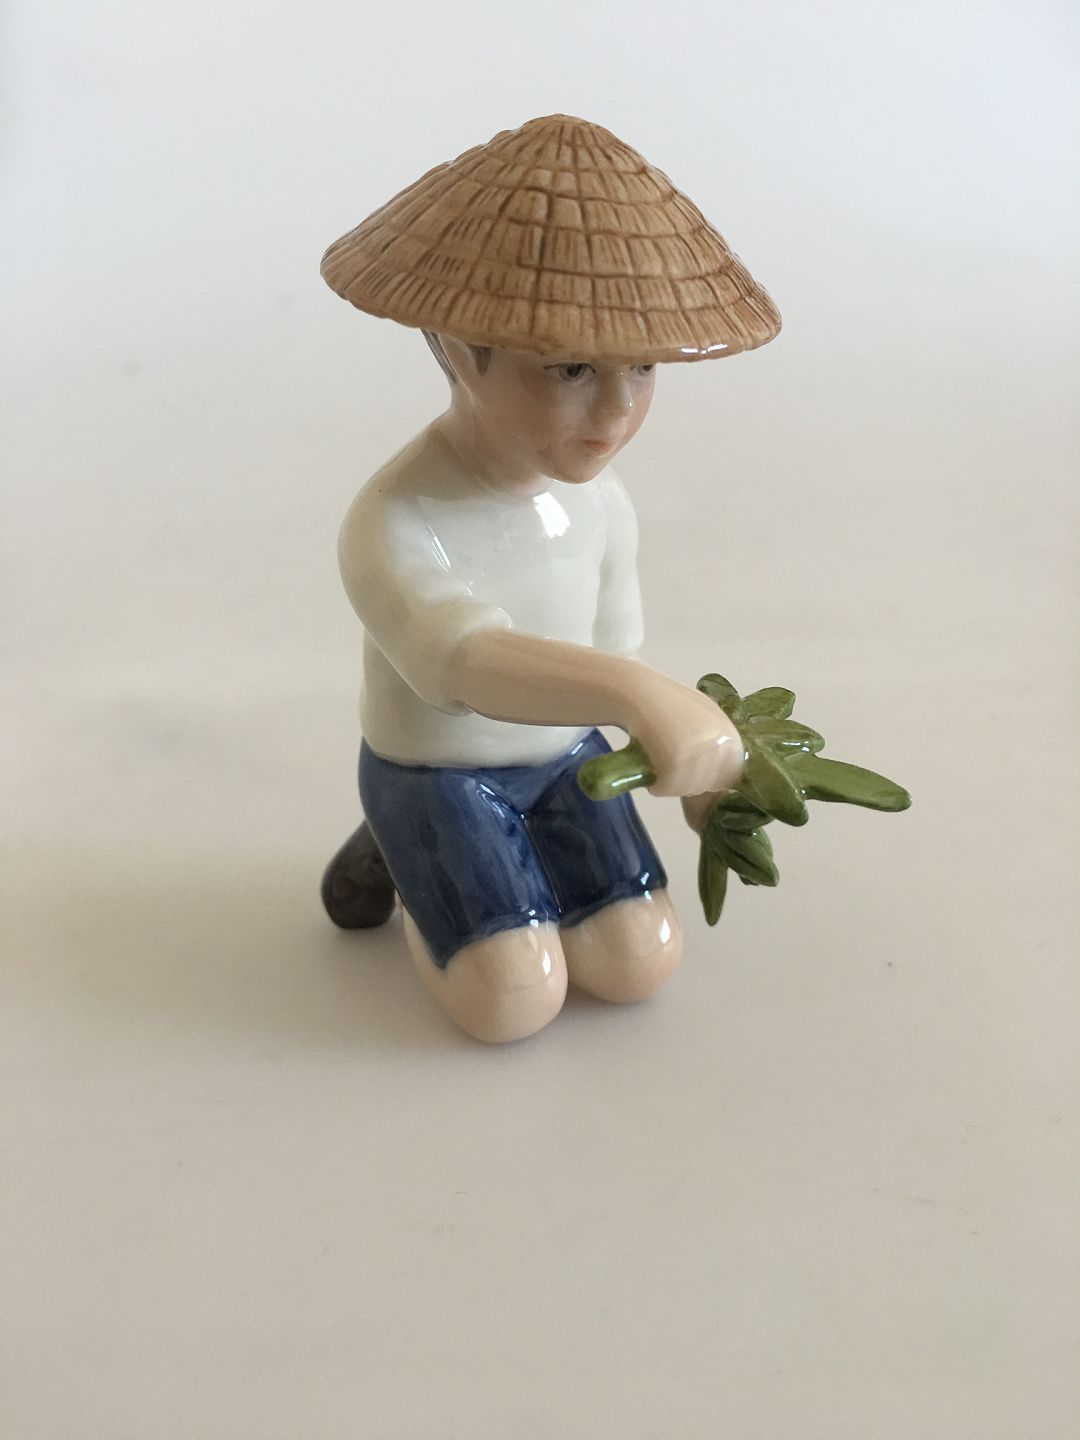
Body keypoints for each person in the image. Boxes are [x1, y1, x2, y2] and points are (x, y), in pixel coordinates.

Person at [319, 115, 781, 1042]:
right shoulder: (396, 519)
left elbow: (616, 653)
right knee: (513, 1001)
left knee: (639, 962)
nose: (616, 411)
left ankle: (438, 869)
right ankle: (415, 853)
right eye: (570, 369)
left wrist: (694, 766)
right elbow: (462, 661)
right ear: (458, 348)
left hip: (571, 761)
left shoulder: (601, 505)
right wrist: (636, 695)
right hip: (438, 773)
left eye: (641, 368)